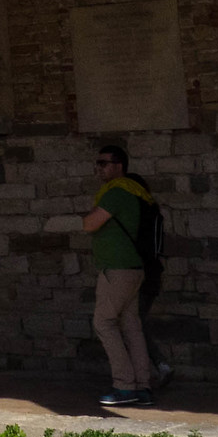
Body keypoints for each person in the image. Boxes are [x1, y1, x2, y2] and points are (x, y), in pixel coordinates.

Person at [82, 144, 157, 407]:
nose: (99, 168)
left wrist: (86, 216)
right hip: (134, 269)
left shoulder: (117, 192)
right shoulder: (136, 193)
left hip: (116, 268)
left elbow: (91, 223)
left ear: (119, 166)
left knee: (103, 323)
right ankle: (142, 386)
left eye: (104, 163)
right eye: (98, 163)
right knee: (131, 326)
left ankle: (124, 386)